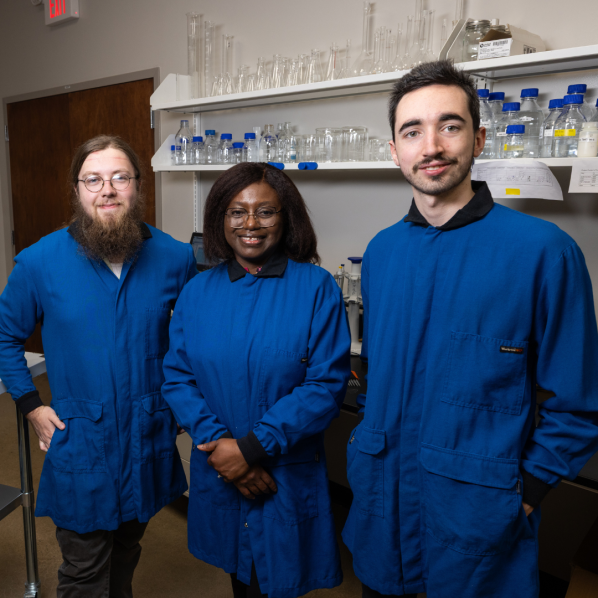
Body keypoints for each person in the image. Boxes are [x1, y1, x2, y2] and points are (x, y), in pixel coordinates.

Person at [342, 60, 598, 598]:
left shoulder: (543, 252)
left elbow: (577, 405)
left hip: (479, 522)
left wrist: (523, 494)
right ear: (394, 149)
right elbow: (380, 376)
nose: (430, 145)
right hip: (382, 508)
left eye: (449, 125)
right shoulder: (383, 251)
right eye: (412, 131)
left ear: (478, 138)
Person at [0, 135, 196, 597]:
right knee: (85, 570)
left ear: (136, 186)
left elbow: (188, 343)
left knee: (128, 549)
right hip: (81, 437)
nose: (106, 189)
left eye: (119, 177)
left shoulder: (174, 258)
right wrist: (30, 403)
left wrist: (182, 404)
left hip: (147, 433)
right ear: (77, 190)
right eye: (93, 179)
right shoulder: (39, 262)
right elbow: (6, 336)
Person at [162, 162, 351, 598]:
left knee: (279, 578)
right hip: (220, 467)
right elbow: (178, 377)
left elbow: (325, 386)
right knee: (240, 579)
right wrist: (222, 449)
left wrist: (251, 449)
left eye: (266, 212)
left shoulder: (316, 287)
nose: (250, 224)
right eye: (236, 211)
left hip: (283, 471)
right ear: (220, 220)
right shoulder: (198, 291)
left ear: (286, 219)